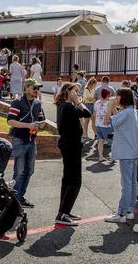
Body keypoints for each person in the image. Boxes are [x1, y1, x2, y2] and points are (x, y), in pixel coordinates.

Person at [54, 82, 90, 225]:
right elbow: (87, 113)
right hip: (71, 147)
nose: (77, 94)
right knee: (75, 181)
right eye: (75, 91)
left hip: (69, 146)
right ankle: (63, 214)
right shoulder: (68, 106)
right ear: (68, 91)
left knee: (68, 179)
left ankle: (64, 211)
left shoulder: (63, 105)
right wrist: (79, 102)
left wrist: (76, 101)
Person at [104, 88, 138, 223]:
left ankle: (121, 214)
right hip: (132, 151)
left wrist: (109, 106)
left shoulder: (127, 112)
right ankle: (129, 210)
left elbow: (107, 121)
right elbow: (117, 119)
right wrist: (114, 108)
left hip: (126, 152)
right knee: (131, 183)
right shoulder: (132, 111)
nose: (115, 97)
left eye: (118, 95)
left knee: (126, 184)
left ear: (123, 97)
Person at [7, 79, 45, 207]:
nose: (36, 90)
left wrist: (41, 124)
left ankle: (20, 197)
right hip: (19, 140)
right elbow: (11, 121)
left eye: (38, 88)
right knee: (19, 171)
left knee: (30, 171)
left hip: (32, 140)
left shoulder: (38, 103)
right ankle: (14, 200)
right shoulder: (17, 102)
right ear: (27, 88)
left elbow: (41, 120)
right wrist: (28, 125)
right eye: (34, 88)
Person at [94, 88, 112, 162]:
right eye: (109, 95)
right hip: (106, 125)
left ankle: (100, 156)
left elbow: (95, 112)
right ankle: (112, 157)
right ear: (107, 95)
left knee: (100, 141)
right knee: (111, 141)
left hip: (98, 124)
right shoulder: (109, 103)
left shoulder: (97, 102)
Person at [82, 77, 98, 142]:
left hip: (93, 105)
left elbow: (94, 98)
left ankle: (96, 135)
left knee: (94, 121)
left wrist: (94, 99)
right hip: (87, 106)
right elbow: (89, 99)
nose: (95, 85)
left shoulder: (94, 89)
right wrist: (94, 99)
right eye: (95, 84)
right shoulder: (86, 89)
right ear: (91, 83)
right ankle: (85, 135)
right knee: (87, 121)